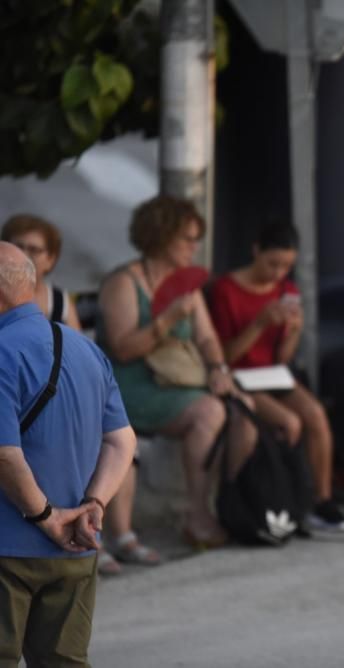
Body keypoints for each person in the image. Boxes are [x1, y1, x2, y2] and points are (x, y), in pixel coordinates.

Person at [0, 241, 137, 665]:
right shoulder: (85, 349)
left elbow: (5, 455)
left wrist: (45, 516)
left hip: (9, 549)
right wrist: (93, 505)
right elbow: (122, 440)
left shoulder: (3, 353)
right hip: (75, 548)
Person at [97, 194, 256, 551]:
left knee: (243, 407)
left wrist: (217, 368)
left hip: (177, 382)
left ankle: (234, 505)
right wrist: (167, 319)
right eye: (187, 238)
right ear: (161, 235)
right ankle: (198, 514)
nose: (194, 246)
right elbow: (123, 349)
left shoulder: (186, 284)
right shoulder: (124, 283)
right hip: (131, 385)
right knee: (211, 412)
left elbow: (207, 337)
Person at [208, 223, 344, 536]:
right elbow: (224, 355)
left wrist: (292, 330)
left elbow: (282, 358)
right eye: (272, 263)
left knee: (314, 414)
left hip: (271, 373)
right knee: (289, 422)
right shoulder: (226, 290)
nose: (278, 272)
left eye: (287, 265)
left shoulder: (287, 291)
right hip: (239, 376)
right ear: (255, 250)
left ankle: (321, 500)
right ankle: (285, 500)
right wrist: (259, 324)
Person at [2, 214, 82, 329]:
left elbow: (76, 344)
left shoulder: (60, 302)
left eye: (34, 250)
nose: (24, 255)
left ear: (50, 259)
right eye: (18, 247)